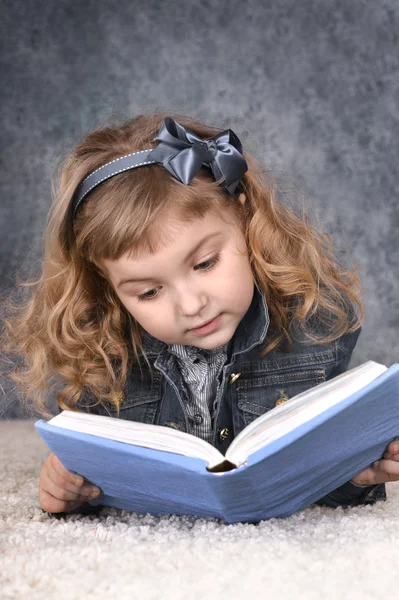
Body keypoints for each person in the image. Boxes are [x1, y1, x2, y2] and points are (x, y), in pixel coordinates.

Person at [1, 112, 397, 520]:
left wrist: (353, 476)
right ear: (108, 287)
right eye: (150, 291)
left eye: (205, 264)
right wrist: (67, 487)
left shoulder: (315, 328)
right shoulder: (103, 358)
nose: (190, 305)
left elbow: (319, 474)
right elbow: (94, 478)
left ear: (245, 220)